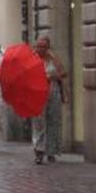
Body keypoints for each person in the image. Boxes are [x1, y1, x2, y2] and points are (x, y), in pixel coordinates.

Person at [32, 35, 68, 165]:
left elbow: (64, 73)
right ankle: (39, 151)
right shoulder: (31, 59)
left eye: (44, 47)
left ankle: (51, 151)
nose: (41, 49)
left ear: (48, 47)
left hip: (53, 92)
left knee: (54, 121)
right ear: (35, 46)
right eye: (39, 46)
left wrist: (54, 75)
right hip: (37, 94)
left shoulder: (53, 58)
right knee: (39, 123)